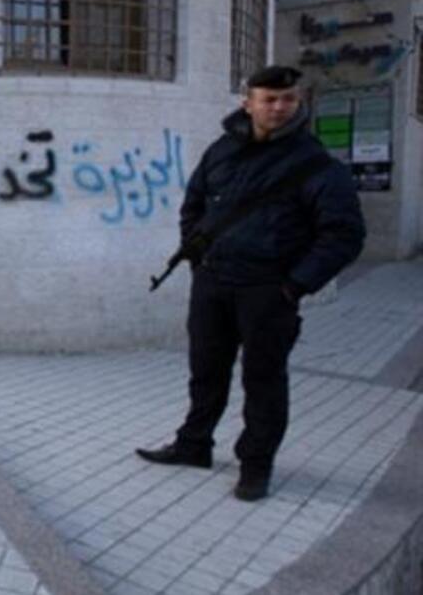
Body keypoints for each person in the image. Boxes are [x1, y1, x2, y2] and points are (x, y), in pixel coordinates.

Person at [136, 66, 366, 502]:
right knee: (205, 371)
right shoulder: (223, 150)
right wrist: (197, 257)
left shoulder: (317, 164)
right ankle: (194, 445)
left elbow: (344, 235)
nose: (279, 107)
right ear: (248, 103)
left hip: (268, 290)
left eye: (289, 100)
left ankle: (256, 466)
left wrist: (295, 286)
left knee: (263, 381)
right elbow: (195, 205)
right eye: (269, 99)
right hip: (213, 283)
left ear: (298, 103)